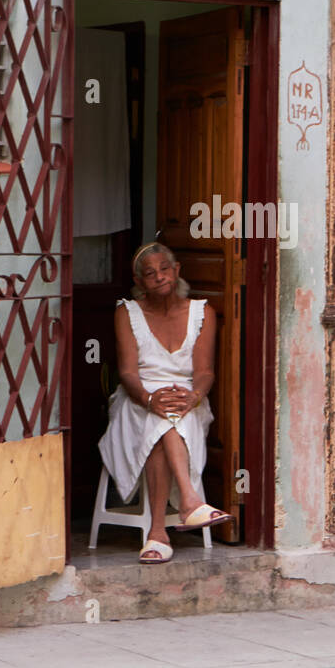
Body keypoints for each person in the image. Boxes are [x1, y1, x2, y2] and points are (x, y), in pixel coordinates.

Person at [97, 241, 231, 563]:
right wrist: (148, 399)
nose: (159, 277)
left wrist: (194, 396)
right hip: (136, 400)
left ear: (177, 271)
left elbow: (204, 371)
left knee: (167, 419)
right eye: (150, 273)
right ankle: (189, 502)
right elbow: (128, 373)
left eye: (165, 269)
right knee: (159, 417)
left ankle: (158, 533)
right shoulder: (126, 312)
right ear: (140, 282)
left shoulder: (202, 312)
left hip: (188, 399)